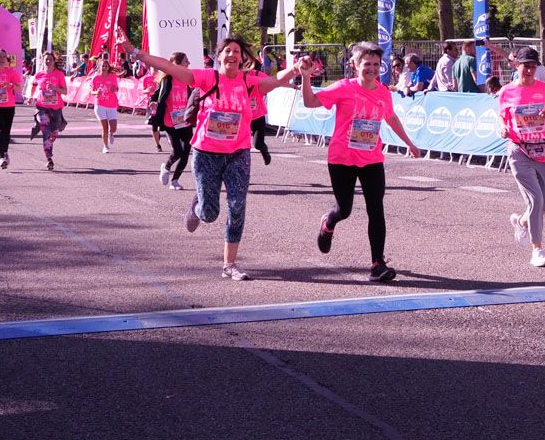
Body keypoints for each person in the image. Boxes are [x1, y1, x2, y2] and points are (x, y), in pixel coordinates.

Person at [129, 38, 302, 280]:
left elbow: (277, 80)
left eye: (237, 52)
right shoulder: (207, 78)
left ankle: (229, 265)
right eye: (227, 51)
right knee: (210, 214)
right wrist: (135, 52)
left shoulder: (249, 82)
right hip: (206, 154)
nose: (232, 55)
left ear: (242, 59)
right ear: (219, 56)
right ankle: (198, 203)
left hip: (238, 154)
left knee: (237, 208)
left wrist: (296, 69)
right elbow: (169, 68)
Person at [303, 42, 423, 283]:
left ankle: (377, 264)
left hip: (371, 159)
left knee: (376, 210)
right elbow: (310, 102)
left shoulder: (382, 92)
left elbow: (390, 117)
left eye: (376, 65)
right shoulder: (342, 88)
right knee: (344, 210)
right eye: (367, 64)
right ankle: (328, 222)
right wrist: (306, 78)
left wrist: (409, 143)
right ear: (355, 65)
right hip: (342, 159)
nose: (372, 69)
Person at [500, 48, 545, 267]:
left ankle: (522, 221)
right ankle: (537, 249)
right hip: (518, 151)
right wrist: (502, 129)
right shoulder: (506, 91)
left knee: (544, 206)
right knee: (535, 200)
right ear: (517, 66)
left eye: (534, 66)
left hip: (542, 150)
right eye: (526, 66)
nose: (530, 70)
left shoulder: (544, 89)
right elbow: (502, 116)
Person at [149, 52, 193, 191]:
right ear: (178, 63)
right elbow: (156, 94)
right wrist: (153, 102)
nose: (189, 63)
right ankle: (166, 167)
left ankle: (175, 181)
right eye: (186, 61)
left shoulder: (187, 79)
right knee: (178, 151)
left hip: (185, 120)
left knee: (186, 151)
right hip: (170, 121)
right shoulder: (167, 80)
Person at [31, 51, 68, 170]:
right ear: (43, 61)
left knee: (54, 133)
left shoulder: (59, 75)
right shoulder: (39, 74)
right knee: (46, 132)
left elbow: (65, 91)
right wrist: (31, 96)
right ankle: (49, 158)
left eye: (50, 59)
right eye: (46, 59)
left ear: (53, 61)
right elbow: (33, 85)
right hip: (42, 107)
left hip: (56, 109)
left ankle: (48, 146)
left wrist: (55, 88)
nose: (48, 61)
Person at [89, 56, 122, 153]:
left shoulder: (112, 77)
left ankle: (111, 133)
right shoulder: (95, 78)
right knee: (105, 127)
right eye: (103, 66)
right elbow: (91, 91)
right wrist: (96, 93)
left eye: (106, 66)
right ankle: (105, 146)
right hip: (100, 105)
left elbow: (117, 89)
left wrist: (114, 89)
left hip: (112, 104)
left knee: (114, 127)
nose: (104, 68)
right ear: (99, 67)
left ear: (108, 67)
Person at [141, 69, 163, 152]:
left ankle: (159, 133)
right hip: (151, 104)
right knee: (154, 126)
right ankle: (158, 145)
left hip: (161, 103)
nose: (155, 69)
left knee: (161, 125)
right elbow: (142, 90)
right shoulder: (146, 78)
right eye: (153, 67)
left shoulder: (162, 77)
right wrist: (147, 90)